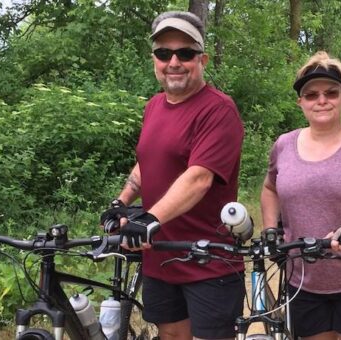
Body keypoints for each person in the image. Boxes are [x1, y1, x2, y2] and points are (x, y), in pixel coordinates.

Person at [99, 11, 245, 340]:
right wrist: (120, 202)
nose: (174, 62)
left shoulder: (218, 109)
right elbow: (147, 162)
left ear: (202, 58)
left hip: (208, 260)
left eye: (185, 53)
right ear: (155, 60)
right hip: (160, 258)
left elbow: (199, 177)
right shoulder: (153, 106)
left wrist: (150, 219)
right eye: (164, 54)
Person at [260, 51, 341, 340]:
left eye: (331, 92)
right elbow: (270, 187)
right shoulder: (284, 145)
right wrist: (270, 229)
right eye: (311, 95)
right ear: (300, 102)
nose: (321, 100)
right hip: (303, 280)